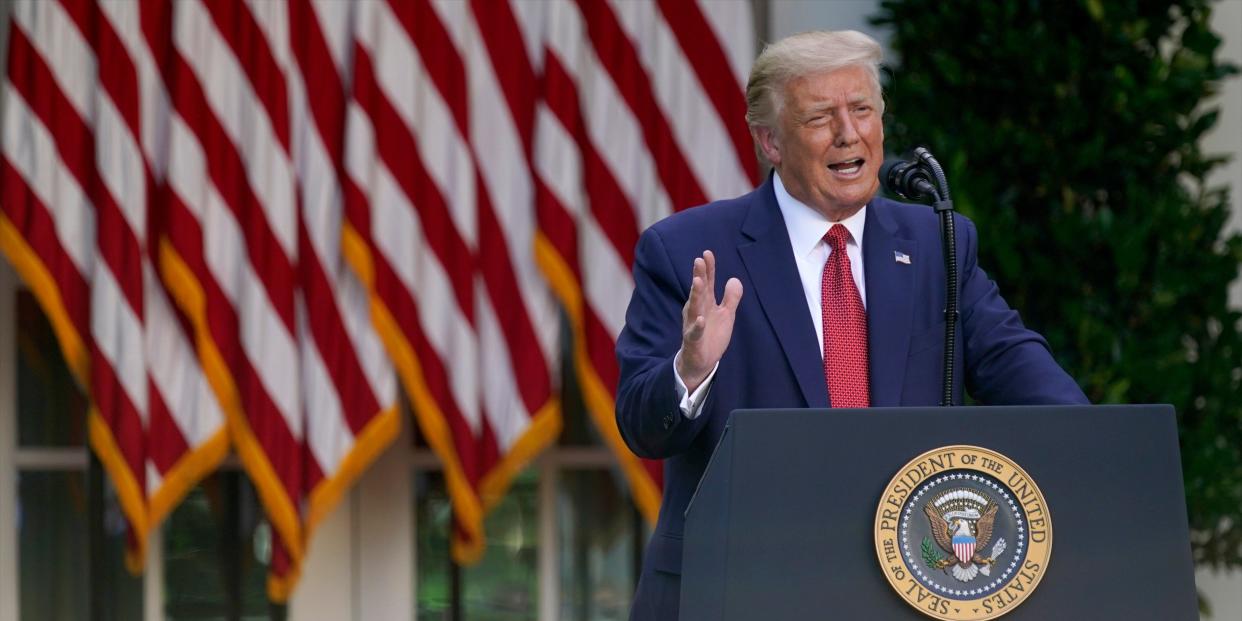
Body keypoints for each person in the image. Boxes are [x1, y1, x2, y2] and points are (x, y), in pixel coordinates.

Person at [614, 30, 1088, 620]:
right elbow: (643, 427)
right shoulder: (688, 250)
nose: (849, 133)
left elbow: (1025, 375)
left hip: (901, 589)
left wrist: (1095, 448)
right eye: (820, 117)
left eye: (862, 110)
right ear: (770, 142)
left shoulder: (937, 243)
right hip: (737, 588)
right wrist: (691, 369)